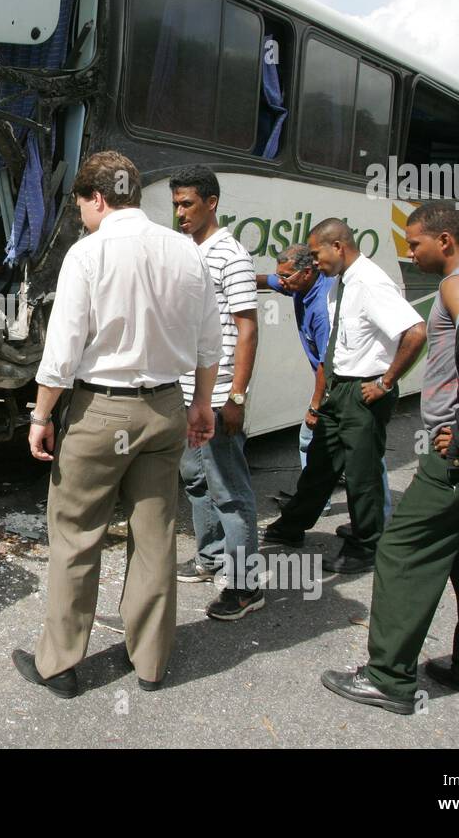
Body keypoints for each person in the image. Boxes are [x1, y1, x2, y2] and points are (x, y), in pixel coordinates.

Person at [13, 151, 221, 697]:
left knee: (77, 537)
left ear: (98, 198)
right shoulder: (186, 253)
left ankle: (59, 665)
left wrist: (40, 415)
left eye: (81, 203)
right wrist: (202, 404)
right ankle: (151, 662)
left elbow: (61, 354)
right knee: (155, 539)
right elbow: (208, 344)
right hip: (165, 410)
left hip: (101, 413)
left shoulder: (87, 255)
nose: (81, 214)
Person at [322, 203, 459, 714]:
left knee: (401, 551)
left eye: (415, 244)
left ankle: (388, 677)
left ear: (446, 241)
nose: (410, 254)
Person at [262, 218, 426, 574]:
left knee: (361, 474)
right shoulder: (339, 281)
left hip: (363, 391)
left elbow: (415, 332)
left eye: (317, 252)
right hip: (341, 389)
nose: (314, 260)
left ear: (337, 246)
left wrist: (385, 382)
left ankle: (366, 545)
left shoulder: (369, 282)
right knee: (320, 463)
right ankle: (292, 527)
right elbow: (280, 281)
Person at [170, 166, 263, 620]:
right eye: (176, 205)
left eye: (187, 204)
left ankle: (245, 587)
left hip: (219, 393)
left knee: (231, 492)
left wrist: (236, 397)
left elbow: (247, 328)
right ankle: (209, 557)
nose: (180, 213)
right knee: (195, 479)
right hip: (187, 392)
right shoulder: (189, 251)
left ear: (212, 202)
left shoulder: (232, 255)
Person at [257, 245, 393, 528]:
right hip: (335, 381)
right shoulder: (297, 285)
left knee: (359, 453)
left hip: (345, 383)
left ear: (306, 273)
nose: (281, 282)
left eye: (286, 277)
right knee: (328, 448)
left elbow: (324, 363)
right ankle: (317, 505)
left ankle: (377, 521)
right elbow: (266, 280)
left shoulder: (322, 308)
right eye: (281, 276)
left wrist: (314, 406)